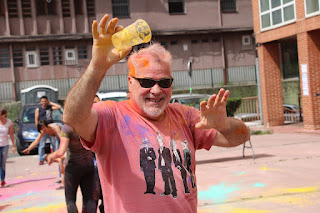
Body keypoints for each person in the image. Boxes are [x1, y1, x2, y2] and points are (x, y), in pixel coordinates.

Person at [63, 14, 250, 212]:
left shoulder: (185, 116)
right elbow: (72, 116)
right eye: (147, 82)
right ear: (130, 83)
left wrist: (224, 125)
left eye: (164, 82)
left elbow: (241, 137)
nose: (156, 90)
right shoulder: (112, 117)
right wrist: (97, 66)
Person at [46, 125, 99, 213]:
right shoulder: (88, 124)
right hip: (88, 165)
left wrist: (50, 156)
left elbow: (61, 151)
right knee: (89, 198)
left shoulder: (67, 128)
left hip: (73, 167)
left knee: (70, 199)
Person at [22, 120, 65, 189]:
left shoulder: (56, 127)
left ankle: (65, 181)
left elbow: (63, 139)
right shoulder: (43, 131)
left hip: (66, 139)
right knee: (60, 161)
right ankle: (62, 180)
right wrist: (29, 149)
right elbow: (37, 141)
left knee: (62, 159)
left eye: (44, 128)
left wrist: (61, 152)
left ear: (47, 126)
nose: (43, 130)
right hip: (60, 140)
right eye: (41, 129)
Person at [35, 96, 61, 165]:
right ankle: (41, 159)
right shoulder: (38, 109)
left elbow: (58, 107)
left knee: (54, 143)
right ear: (41, 102)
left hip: (50, 128)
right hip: (43, 129)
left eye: (45, 101)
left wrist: (51, 103)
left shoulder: (49, 108)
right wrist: (39, 129)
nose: (44, 102)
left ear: (47, 101)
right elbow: (36, 120)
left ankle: (55, 156)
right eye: (42, 101)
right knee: (42, 145)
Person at [0, 108, 16, 187]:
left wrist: (13, 145)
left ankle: (2, 180)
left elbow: (11, 134)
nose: (0, 117)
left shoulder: (9, 122)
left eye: (1, 116)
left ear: (4, 114)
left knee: (2, 163)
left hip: (5, 145)